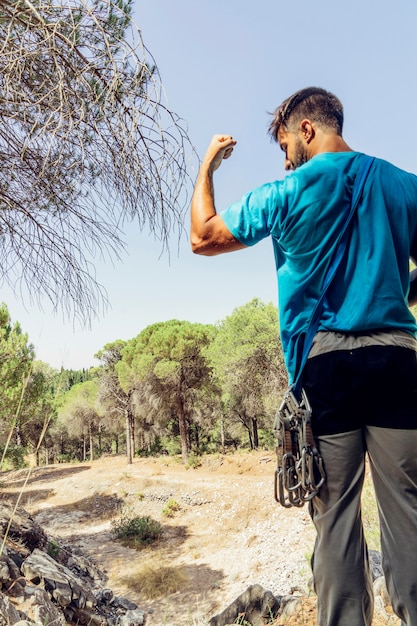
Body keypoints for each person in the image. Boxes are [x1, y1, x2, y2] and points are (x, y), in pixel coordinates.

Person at [190, 86, 417, 626]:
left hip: (326, 369)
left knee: (335, 518)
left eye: (285, 143)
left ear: (307, 130)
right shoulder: (402, 185)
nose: (286, 157)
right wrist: (394, 295)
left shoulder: (285, 192)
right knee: (409, 512)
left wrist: (207, 168)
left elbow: (202, 237)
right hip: (397, 363)